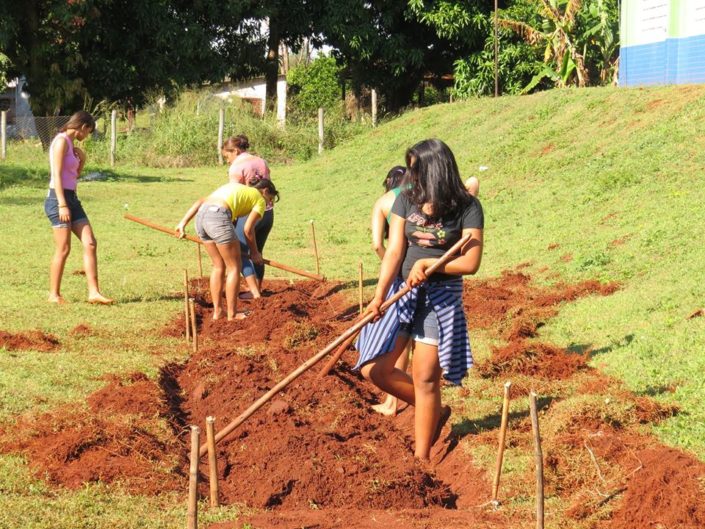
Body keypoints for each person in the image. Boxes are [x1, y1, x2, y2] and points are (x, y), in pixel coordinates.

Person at [356, 139, 484, 462]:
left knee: (425, 376)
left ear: (436, 170)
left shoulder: (467, 207)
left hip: (441, 297)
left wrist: (431, 265)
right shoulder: (407, 200)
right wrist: (378, 296)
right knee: (374, 369)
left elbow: (471, 262)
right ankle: (434, 410)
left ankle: (421, 459)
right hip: (403, 291)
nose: (411, 177)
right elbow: (395, 251)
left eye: (417, 170)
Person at [175, 180, 279, 321]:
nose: (269, 203)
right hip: (218, 217)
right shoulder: (259, 199)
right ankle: (233, 314)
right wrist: (255, 253)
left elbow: (201, 201)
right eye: (270, 199)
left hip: (201, 218)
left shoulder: (235, 188)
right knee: (234, 267)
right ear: (265, 191)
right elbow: (248, 230)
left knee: (218, 266)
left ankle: (218, 312)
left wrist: (182, 223)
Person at [44, 110, 113, 305]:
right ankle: (54, 295)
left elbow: (72, 176)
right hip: (58, 200)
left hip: (73, 199)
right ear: (83, 127)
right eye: (88, 132)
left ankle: (94, 293)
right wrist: (62, 205)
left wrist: (82, 160)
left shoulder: (71, 145)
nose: (87, 136)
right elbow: (56, 175)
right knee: (63, 248)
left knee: (90, 242)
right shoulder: (60, 142)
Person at [369, 165, 409, 416]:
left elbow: (376, 244)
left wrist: (389, 267)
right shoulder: (423, 194)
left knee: (400, 333)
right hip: (424, 268)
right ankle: (395, 400)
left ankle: (392, 401)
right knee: (412, 335)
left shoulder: (384, 201)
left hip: (401, 273)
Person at [221, 135, 274, 297]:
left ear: (235, 151)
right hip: (267, 213)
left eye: (227, 156)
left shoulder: (237, 167)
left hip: (249, 215)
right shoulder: (261, 161)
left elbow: (234, 194)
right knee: (257, 253)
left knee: (241, 254)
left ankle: (254, 292)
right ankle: (257, 288)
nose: (228, 161)